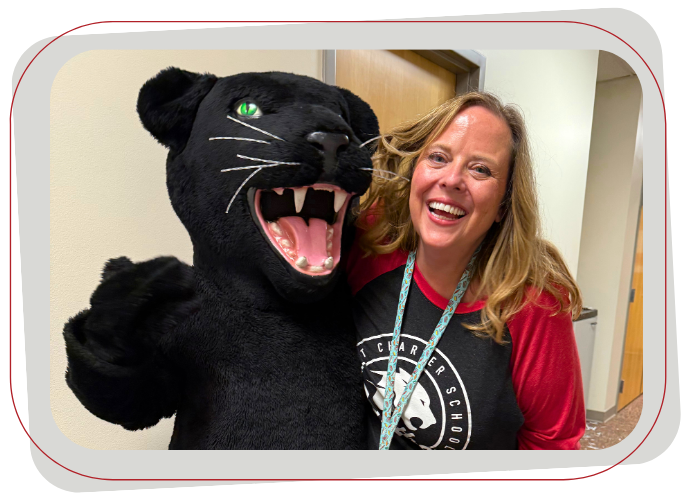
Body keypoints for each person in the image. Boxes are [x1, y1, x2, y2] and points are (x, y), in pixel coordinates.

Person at [345, 91, 586, 450]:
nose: (452, 179)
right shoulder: (372, 241)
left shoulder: (535, 302)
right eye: (438, 158)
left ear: (503, 205)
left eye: (480, 169)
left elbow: (553, 442)